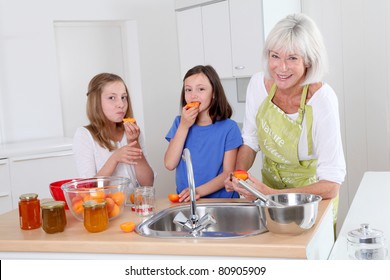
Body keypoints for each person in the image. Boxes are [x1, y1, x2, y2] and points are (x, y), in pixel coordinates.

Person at [225, 14, 346, 225]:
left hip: (311, 203)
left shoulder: (322, 100)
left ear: (309, 60)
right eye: (275, 56)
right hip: (268, 199)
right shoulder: (257, 85)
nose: (281, 68)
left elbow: (331, 184)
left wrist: (273, 195)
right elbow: (251, 140)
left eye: (292, 58)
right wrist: (239, 175)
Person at [165, 65, 243, 202]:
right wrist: (184, 126)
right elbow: (170, 164)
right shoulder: (179, 123)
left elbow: (228, 173)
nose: (193, 95)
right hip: (189, 202)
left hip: (222, 202)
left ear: (214, 93)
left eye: (201, 89)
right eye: (188, 90)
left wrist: (197, 191)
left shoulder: (229, 128)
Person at [73, 73, 154, 187]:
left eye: (123, 97)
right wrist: (114, 159)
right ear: (96, 102)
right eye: (112, 98)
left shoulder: (132, 132)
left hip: (134, 204)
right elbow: (89, 188)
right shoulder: (84, 135)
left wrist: (134, 143)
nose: (121, 104)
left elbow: (148, 183)